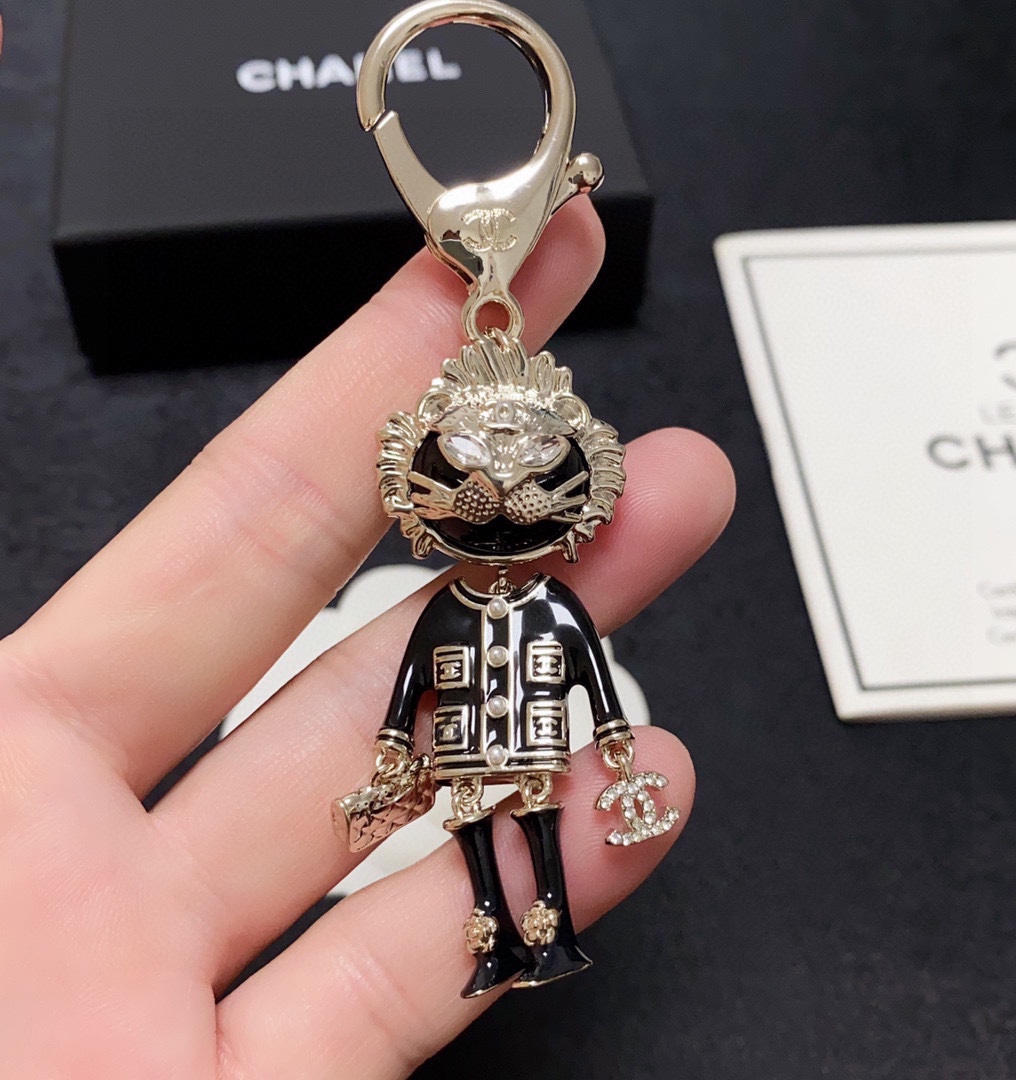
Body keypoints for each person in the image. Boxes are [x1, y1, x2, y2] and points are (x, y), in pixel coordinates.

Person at [0, 76, 736, 1070]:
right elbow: (409, 685)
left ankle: (549, 920)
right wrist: (394, 751)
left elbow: (590, 677)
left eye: (529, 469)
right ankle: (494, 929)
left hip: (527, 735)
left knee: (539, 821)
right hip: (465, 742)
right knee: (476, 835)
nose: (501, 496)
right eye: (472, 470)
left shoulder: (552, 600)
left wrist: (611, 744)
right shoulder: (455, 605)